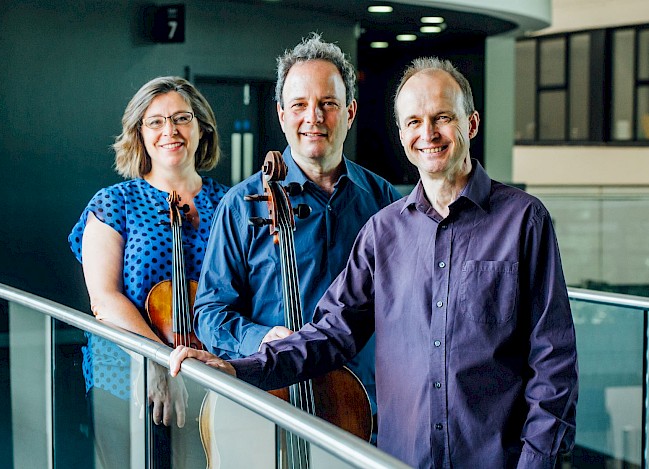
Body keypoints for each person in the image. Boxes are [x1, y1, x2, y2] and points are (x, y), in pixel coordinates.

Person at [170, 57, 579, 468]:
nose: (428, 133)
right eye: (414, 121)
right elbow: (331, 333)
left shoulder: (524, 220)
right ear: (402, 135)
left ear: (470, 125)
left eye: (442, 118)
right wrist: (238, 368)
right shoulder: (383, 230)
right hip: (398, 457)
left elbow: (554, 362)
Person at [191, 32, 400, 424]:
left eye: (328, 104)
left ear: (350, 112)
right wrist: (260, 338)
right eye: (300, 104)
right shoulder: (241, 205)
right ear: (282, 114)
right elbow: (209, 312)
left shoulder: (382, 198)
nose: (313, 117)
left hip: (367, 411)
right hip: (273, 403)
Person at [68, 76, 229, 468]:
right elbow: (104, 300)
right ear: (139, 133)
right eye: (155, 121)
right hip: (125, 373)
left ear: (201, 128)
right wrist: (157, 361)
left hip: (211, 375)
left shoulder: (230, 203)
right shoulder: (113, 203)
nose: (169, 131)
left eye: (181, 118)